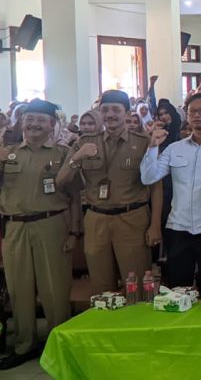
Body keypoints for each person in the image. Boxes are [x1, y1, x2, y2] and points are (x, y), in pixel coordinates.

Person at [0, 100, 80, 369]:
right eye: (29, 119)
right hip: (15, 227)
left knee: (54, 288)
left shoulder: (63, 153)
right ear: (21, 122)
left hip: (51, 225)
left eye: (40, 120)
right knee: (19, 288)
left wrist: (74, 231)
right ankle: (24, 344)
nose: (33, 124)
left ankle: (58, 342)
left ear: (52, 124)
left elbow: (75, 196)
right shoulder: (7, 154)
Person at [57, 90, 161, 295]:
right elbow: (61, 180)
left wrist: (155, 225)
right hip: (97, 218)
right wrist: (77, 157)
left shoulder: (142, 142)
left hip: (132, 218)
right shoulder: (85, 142)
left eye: (116, 109)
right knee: (101, 287)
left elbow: (156, 187)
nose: (110, 114)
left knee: (136, 285)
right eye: (105, 110)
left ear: (127, 113)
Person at [140, 93, 201, 296]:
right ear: (187, 116)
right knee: (178, 288)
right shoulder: (175, 149)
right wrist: (152, 147)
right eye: (192, 111)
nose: (197, 116)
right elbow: (149, 178)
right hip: (179, 227)